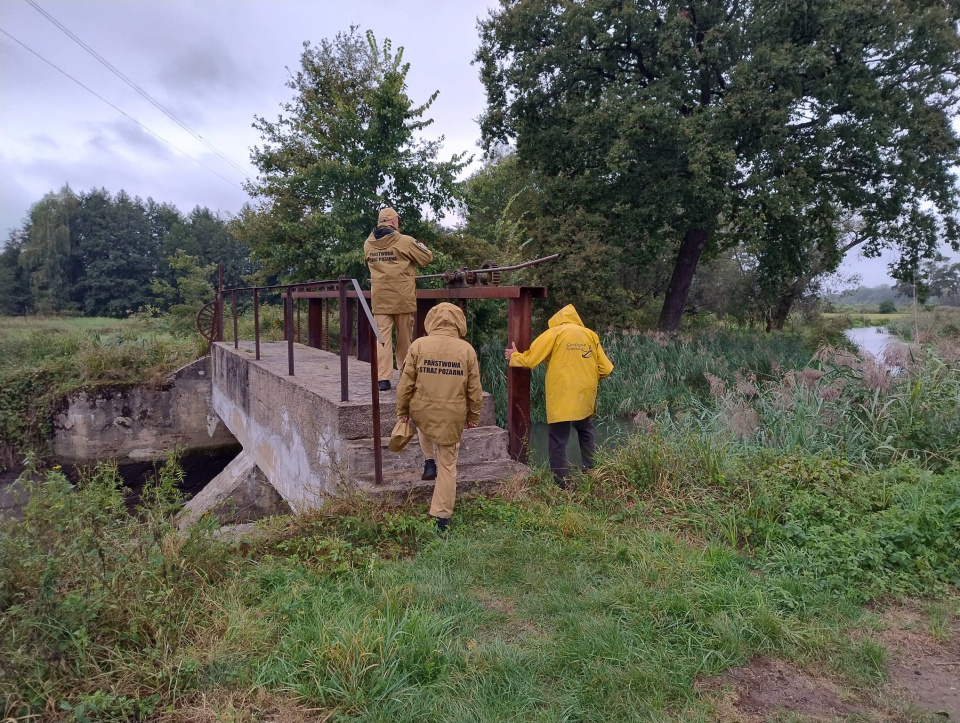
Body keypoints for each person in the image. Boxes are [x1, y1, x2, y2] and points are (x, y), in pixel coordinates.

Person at [505, 304, 614, 487]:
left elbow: (531, 360)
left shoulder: (554, 333)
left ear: (557, 320)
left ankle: (563, 482)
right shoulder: (590, 334)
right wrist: (588, 380)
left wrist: (515, 356)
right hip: (585, 393)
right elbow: (606, 369)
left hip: (562, 392)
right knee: (586, 430)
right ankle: (592, 470)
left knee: (557, 438)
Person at [396, 302, 483, 532]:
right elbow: (474, 389)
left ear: (431, 321)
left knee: (425, 424)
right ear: (458, 322)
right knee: (449, 465)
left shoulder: (418, 345)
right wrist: (473, 415)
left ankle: (428, 461)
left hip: (422, 409)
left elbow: (405, 384)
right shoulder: (466, 350)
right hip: (453, 414)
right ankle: (441, 518)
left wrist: (402, 411)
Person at [364, 207, 434, 391]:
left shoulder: (368, 244)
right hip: (402, 298)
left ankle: (383, 379)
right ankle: (405, 374)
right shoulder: (405, 241)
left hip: (380, 299)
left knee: (382, 339)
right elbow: (427, 258)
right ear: (394, 222)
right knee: (404, 338)